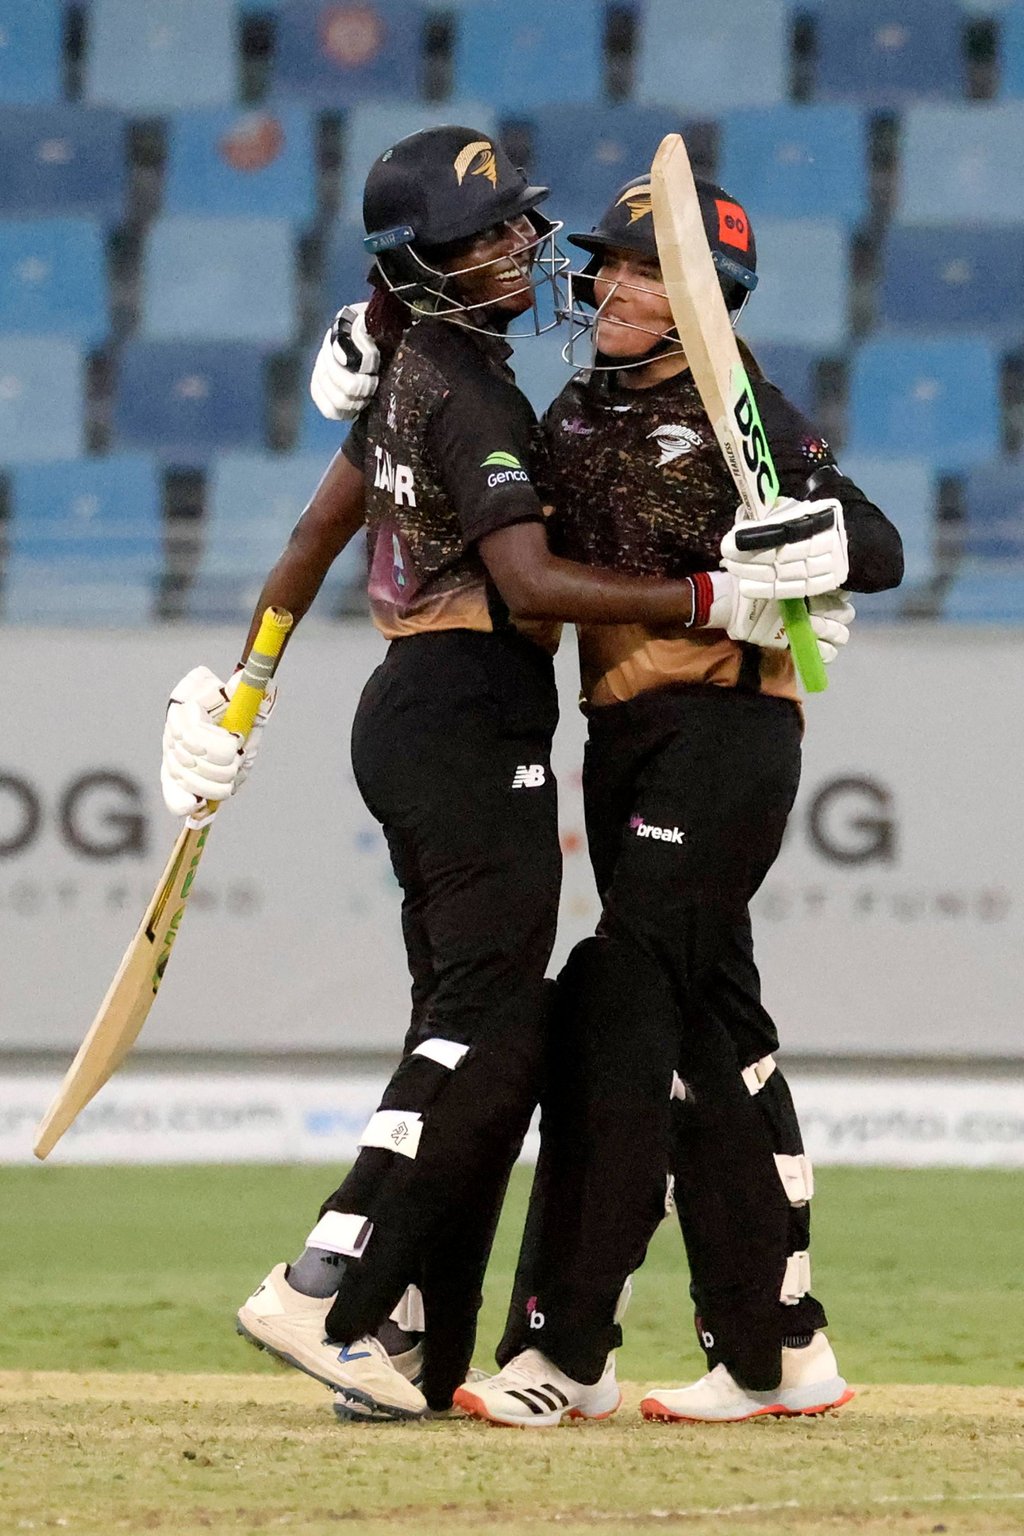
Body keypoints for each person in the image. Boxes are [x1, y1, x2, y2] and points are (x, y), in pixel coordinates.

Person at [158, 129, 820, 1423]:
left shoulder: (406, 364)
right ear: (427, 267)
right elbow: (526, 582)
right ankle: (324, 1283)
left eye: (520, 224)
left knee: (475, 1035)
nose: (526, 248)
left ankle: (409, 1342)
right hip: (467, 714)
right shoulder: (474, 395)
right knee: (488, 1026)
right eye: (489, 237)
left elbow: (305, 544)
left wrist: (247, 688)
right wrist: (710, 596)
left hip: (414, 713)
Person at [440, 173, 904, 1426]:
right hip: (627, 736)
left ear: (707, 299)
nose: (616, 288)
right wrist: (382, 349)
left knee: (615, 1007)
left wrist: (818, 547)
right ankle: (779, 1349)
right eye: (610, 266)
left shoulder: (740, 402)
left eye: (650, 272)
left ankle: (563, 1351)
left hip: (727, 735)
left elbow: (878, 543)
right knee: (716, 1033)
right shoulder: (576, 407)